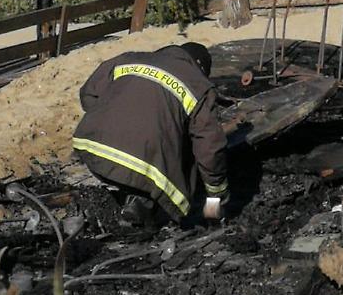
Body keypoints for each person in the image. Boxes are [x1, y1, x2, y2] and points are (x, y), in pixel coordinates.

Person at [72, 42, 229, 225]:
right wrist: (216, 196)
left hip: (90, 149)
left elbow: (88, 94)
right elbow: (210, 149)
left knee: (136, 168)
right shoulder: (199, 86)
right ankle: (143, 206)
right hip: (145, 166)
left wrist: (113, 122)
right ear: (199, 68)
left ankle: (132, 199)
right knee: (170, 163)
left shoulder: (127, 59)